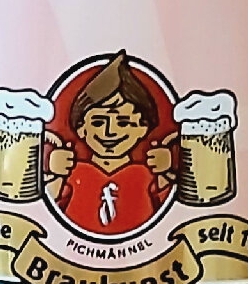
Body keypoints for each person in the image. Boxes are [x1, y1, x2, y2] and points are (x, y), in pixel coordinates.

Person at [45, 51, 174, 235]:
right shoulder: (73, 173)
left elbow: (172, 208)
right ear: (81, 129)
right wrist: (55, 173)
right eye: (98, 122)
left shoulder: (146, 175)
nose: (110, 131)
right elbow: (46, 206)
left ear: (142, 128)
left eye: (123, 122)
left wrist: (166, 171)